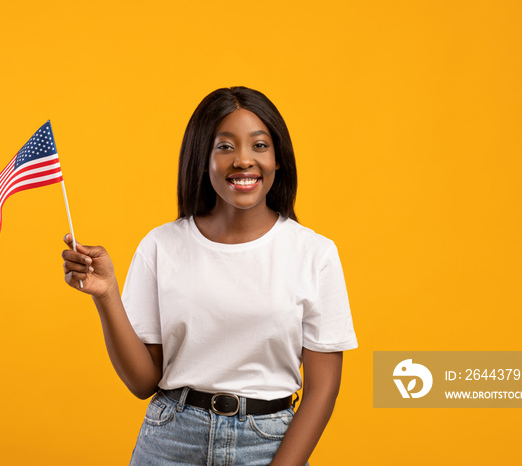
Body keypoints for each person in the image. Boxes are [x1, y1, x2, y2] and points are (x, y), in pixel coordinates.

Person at [62, 86, 358, 465]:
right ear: (202, 159)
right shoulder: (161, 245)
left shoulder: (314, 254)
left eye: (259, 145)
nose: (243, 160)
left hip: (266, 446)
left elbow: (323, 389)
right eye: (225, 147)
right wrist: (106, 296)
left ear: (278, 158)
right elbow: (141, 382)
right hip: (170, 442)